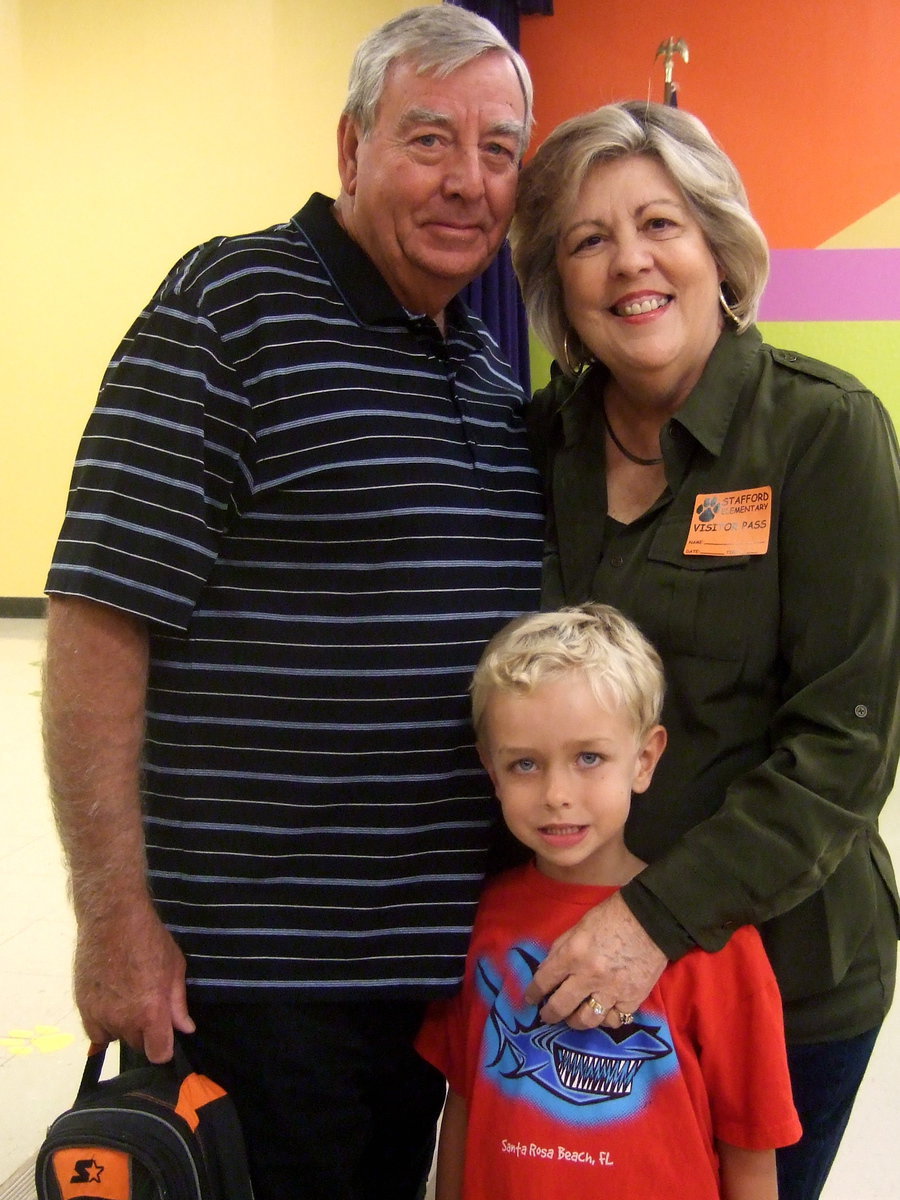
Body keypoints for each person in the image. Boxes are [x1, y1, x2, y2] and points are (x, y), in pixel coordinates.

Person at [41, 8, 543, 1200]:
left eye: (498, 150)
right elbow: (99, 622)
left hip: (421, 977)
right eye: (430, 138)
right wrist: (114, 919)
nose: (467, 180)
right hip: (251, 977)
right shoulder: (229, 310)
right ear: (352, 147)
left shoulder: (481, 363)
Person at [508, 99, 900, 1200]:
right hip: (572, 968)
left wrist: (653, 922)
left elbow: (845, 744)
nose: (629, 262)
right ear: (558, 287)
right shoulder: (537, 445)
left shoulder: (824, 431)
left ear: (717, 247)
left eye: (660, 225)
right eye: (589, 240)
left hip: (780, 979)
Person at [416, 603, 801, 1200]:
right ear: (491, 770)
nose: (557, 794)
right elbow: (463, 1103)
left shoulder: (720, 946)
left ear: (644, 759)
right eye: (524, 764)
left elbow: (751, 1150)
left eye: (588, 758)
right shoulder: (479, 919)